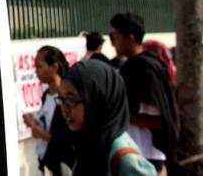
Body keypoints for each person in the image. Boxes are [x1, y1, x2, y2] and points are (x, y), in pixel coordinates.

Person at [58, 60, 156, 175]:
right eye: (61, 99)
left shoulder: (125, 159)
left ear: (97, 100)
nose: (64, 109)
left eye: (71, 100)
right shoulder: (87, 144)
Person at [110, 13, 178, 174]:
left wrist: (118, 115)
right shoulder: (138, 65)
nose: (113, 42)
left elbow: (158, 121)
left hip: (146, 154)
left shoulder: (142, 69)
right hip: (136, 153)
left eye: (116, 36)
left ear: (130, 38)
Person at [22, 46, 75, 175]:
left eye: (40, 67)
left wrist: (44, 135)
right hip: (47, 162)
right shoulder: (46, 95)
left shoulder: (68, 99)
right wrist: (33, 122)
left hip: (64, 165)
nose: (36, 71)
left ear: (54, 67)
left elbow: (70, 140)